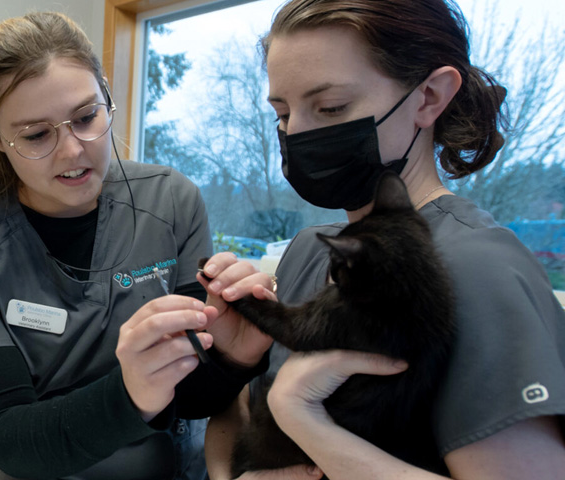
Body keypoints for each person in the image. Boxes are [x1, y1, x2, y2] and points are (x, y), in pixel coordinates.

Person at [201, 0, 565, 478]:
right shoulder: (311, 249)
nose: (297, 134)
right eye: (284, 113)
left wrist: (301, 417)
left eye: (331, 107)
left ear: (430, 97)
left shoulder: (479, 266)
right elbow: (240, 421)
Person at [0, 12, 274, 480]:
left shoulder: (171, 202)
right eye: (36, 135)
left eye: (87, 116)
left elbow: (194, 396)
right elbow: (8, 439)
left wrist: (235, 356)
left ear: (106, 96)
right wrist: (130, 393)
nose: (73, 150)